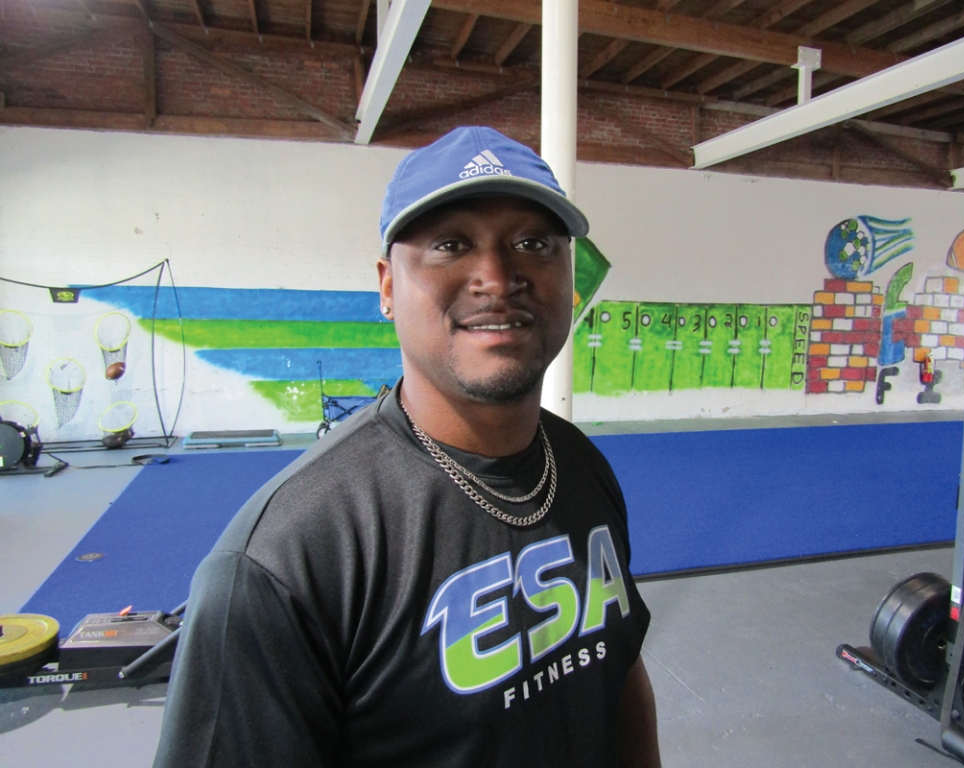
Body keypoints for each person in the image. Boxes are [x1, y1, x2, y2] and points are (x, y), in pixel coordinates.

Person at [153, 126, 660, 768]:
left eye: (534, 243)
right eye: (451, 245)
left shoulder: (582, 463)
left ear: (570, 275)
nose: (498, 277)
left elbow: (619, 669)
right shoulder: (283, 563)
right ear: (388, 286)